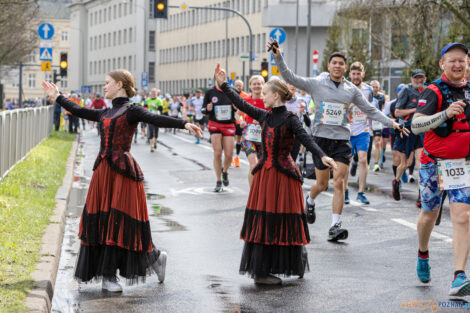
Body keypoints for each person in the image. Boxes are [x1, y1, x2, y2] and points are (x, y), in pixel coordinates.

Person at [41, 70, 202, 292]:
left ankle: (113, 275)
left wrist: (185, 123)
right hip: (103, 173)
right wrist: (57, 96)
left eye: (107, 83)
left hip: (122, 174)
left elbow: (156, 119)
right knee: (104, 223)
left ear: (119, 84)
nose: (104, 87)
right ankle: (153, 259)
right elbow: (78, 110)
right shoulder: (106, 112)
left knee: (119, 223)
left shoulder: (132, 110)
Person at [272, 39, 407, 241]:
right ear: (329, 65)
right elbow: (290, 77)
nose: (337, 66)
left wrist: (392, 123)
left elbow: (369, 109)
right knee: (322, 183)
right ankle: (310, 199)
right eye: (334, 63)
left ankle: (335, 226)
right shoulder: (316, 83)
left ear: (345, 67)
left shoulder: (351, 89)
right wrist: (278, 57)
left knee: (340, 182)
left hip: (342, 139)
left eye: (341, 63)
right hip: (320, 140)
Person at [214, 63, 337, 284]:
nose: (262, 97)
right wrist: (224, 85)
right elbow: (240, 102)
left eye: (265, 93)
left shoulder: (291, 119)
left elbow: (307, 140)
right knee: (266, 221)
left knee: (283, 221)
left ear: (277, 96)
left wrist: (322, 155)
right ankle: (261, 272)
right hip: (266, 175)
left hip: (284, 176)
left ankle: (290, 263)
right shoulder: (264, 115)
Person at [411, 43, 470, 296]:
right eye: (452, 60)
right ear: (442, 64)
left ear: (468, 63)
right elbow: (416, 125)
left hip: (462, 165)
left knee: (463, 216)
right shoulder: (434, 91)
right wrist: (445, 114)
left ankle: (459, 276)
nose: (457, 65)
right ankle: (423, 252)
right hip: (433, 164)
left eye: (462, 60)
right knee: (429, 215)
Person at [392, 69, 426, 204]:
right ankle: (396, 181)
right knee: (406, 163)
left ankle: (421, 195)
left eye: (421, 78)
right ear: (412, 79)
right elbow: (398, 112)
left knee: (420, 164)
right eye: (416, 78)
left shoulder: (428, 90)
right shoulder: (406, 90)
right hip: (407, 130)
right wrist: (416, 110)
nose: (419, 80)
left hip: (422, 130)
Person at [344, 62, 374, 205]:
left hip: (363, 129)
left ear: (362, 74)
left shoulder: (368, 90)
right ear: (350, 74)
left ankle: (361, 192)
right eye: (353, 74)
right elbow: (342, 108)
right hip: (348, 130)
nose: (356, 77)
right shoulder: (344, 88)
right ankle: (345, 191)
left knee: (363, 159)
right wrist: (352, 105)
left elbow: (371, 108)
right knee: (347, 162)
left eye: (358, 74)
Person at [202, 80, 237, 192]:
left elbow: (241, 108)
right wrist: (207, 109)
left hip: (229, 125)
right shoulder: (210, 92)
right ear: (215, 79)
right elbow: (203, 110)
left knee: (229, 155)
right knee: (217, 153)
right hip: (215, 124)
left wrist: (237, 108)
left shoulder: (233, 91)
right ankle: (218, 181)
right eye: (218, 77)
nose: (221, 79)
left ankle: (225, 171)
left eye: (223, 77)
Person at [240, 75, 269, 186]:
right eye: (254, 84)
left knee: (263, 167)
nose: (257, 86)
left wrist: (263, 121)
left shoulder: (267, 100)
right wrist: (241, 120)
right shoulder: (246, 100)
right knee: (253, 164)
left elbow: (273, 116)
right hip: (248, 136)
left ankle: (261, 191)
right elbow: (238, 115)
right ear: (250, 86)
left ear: (263, 85)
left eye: (259, 83)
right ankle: (253, 194)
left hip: (264, 136)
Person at [370, 80, 386, 171]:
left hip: (377, 121)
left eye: (376, 87)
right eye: (373, 87)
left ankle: (376, 164)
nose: (375, 89)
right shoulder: (367, 96)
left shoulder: (381, 97)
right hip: (367, 120)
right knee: (368, 143)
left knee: (377, 141)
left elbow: (383, 108)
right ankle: (367, 161)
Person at [233, 80, 249, 167]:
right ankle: (234, 157)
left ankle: (237, 157)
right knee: (232, 140)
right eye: (236, 85)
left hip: (241, 121)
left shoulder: (245, 95)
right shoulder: (230, 94)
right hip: (231, 120)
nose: (238, 87)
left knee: (239, 139)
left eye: (240, 85)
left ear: (242, 87)